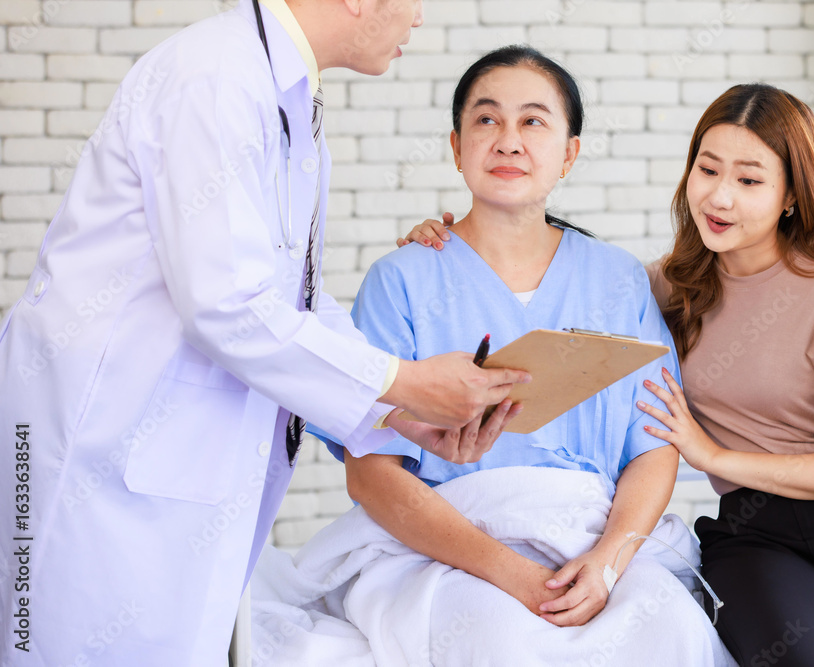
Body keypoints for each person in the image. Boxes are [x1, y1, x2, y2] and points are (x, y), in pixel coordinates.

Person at [0, 1, 531, 665]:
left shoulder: (285, 98)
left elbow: (290, 301)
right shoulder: (217, 79)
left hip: (167, 458)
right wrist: (410, 381)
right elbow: (225, 302)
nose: (419, 19)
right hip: (100, 448)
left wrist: (398, 408)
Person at [401, 84, 814, 666]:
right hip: (756, 534)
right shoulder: (667, 286)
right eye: (707, 169)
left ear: (791, 194)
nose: (719, 197)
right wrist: (454, 239)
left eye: (748, 180)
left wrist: (710, 456)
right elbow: (559, 270)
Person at [274, 45, 735, 665]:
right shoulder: (402, 280)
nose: (509, 141)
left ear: (569, 152)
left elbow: (654, 447)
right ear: (456, 147)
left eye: (534, 121)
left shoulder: (618, 280)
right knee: (498, 641)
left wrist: (605, 562)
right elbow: (371, 472)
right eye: (486, 120)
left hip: (594, 540)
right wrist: (512, 574)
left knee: (669, 633)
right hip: (451, 548)